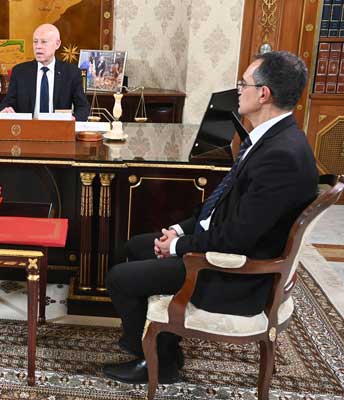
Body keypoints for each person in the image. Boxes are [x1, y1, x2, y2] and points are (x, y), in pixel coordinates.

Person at [103, 51, 318, 384]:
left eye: (243, 84)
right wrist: (179, 231)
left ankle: (157, 361)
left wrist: (179, 247)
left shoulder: (281, 156)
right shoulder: (274, 138)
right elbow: (223, 206)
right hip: (228, 248)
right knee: (131, 247)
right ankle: (160, 346)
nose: (238, 91)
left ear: (264, 94)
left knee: (120, 278)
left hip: (236, 274)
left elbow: (237, 238)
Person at [0, 24, 90, 121]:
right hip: (28, 127)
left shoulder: (71, 72)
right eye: (35, 42)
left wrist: (73, 119)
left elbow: (83, 107)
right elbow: (7, 103)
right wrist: (5, 110)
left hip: (58, 127)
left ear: (57, 44)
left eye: (44, 42)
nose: (38, 47)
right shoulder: (20, 72)